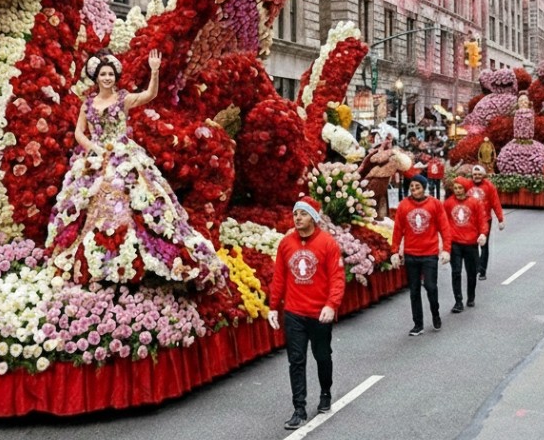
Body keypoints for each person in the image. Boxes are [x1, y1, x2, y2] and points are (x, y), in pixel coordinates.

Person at [46, 49, 223, 288]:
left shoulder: (123, 99)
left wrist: (155, 71)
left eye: (110, 74)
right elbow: (79, 132)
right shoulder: (87, 104)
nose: (107, 78)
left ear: (115, 76)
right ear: (96, 77)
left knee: (139, 199)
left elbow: (150, 94)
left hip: (123, 155)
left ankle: (134, 260)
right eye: (103, 74)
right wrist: (93, 148)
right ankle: (94, 258)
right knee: (83, 203)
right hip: (95, 159)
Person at [267, 201, 345, 431]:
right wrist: (273, 307)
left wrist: (331, 305)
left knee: (322, 356)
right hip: (294, 312)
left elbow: (337, 278)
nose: (297, 218)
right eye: (295, 214)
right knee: (296, 360)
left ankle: (325, 393)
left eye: (303, 214)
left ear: (313, 217)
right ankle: (298, 408)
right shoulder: (286, 243)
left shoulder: (327, 244)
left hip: (319, 313)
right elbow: (279, 277)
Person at [390, 177, 451, 336]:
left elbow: (444, 228)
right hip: (411, 254)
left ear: (424, 187)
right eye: (412, 187)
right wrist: (395, 251)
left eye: (418, 187)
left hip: (430, 254)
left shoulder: (435, 204)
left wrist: (446, 249)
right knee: (414, 291)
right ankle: (418, 324)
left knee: (431, 287)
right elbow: (397, 230)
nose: (415, 190)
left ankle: (435, 314)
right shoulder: (404, 205)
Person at [444, 180, 488, 313]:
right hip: (455, 243)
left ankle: (471, 296)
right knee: (456, 272)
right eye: (455, 188)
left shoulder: (475, 203)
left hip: (471, 244)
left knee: (471, 272)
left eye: (460, 188)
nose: (457, 190)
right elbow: (443, 222)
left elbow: (482, 220)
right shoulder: (448, 203)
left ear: (465, 189)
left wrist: (483, 234)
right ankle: (458, 301)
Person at [461, 166, 504, 280]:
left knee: (483, 245)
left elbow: (495, 202)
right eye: (475, 174)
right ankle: (475, 266)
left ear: (483, 175)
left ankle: (482, 270)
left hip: (485, 220)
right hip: (471, 221)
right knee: (472, 245)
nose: (477, 176)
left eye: (479, 174)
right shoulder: (467, 185)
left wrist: (500, 219)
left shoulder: (489, 186)